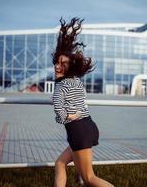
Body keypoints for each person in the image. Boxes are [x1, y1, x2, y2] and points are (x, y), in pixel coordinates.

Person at [52, 17, 114, 187]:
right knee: (60, 163)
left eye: (62, 64)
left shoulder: (60, 86)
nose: (58, 66)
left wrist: (67, 116)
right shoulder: (76, 81)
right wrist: (73, 114)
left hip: (79, 131)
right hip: (89, 127)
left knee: (89, 178)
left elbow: (59, 110)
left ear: (68, 68)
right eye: (57, 62)